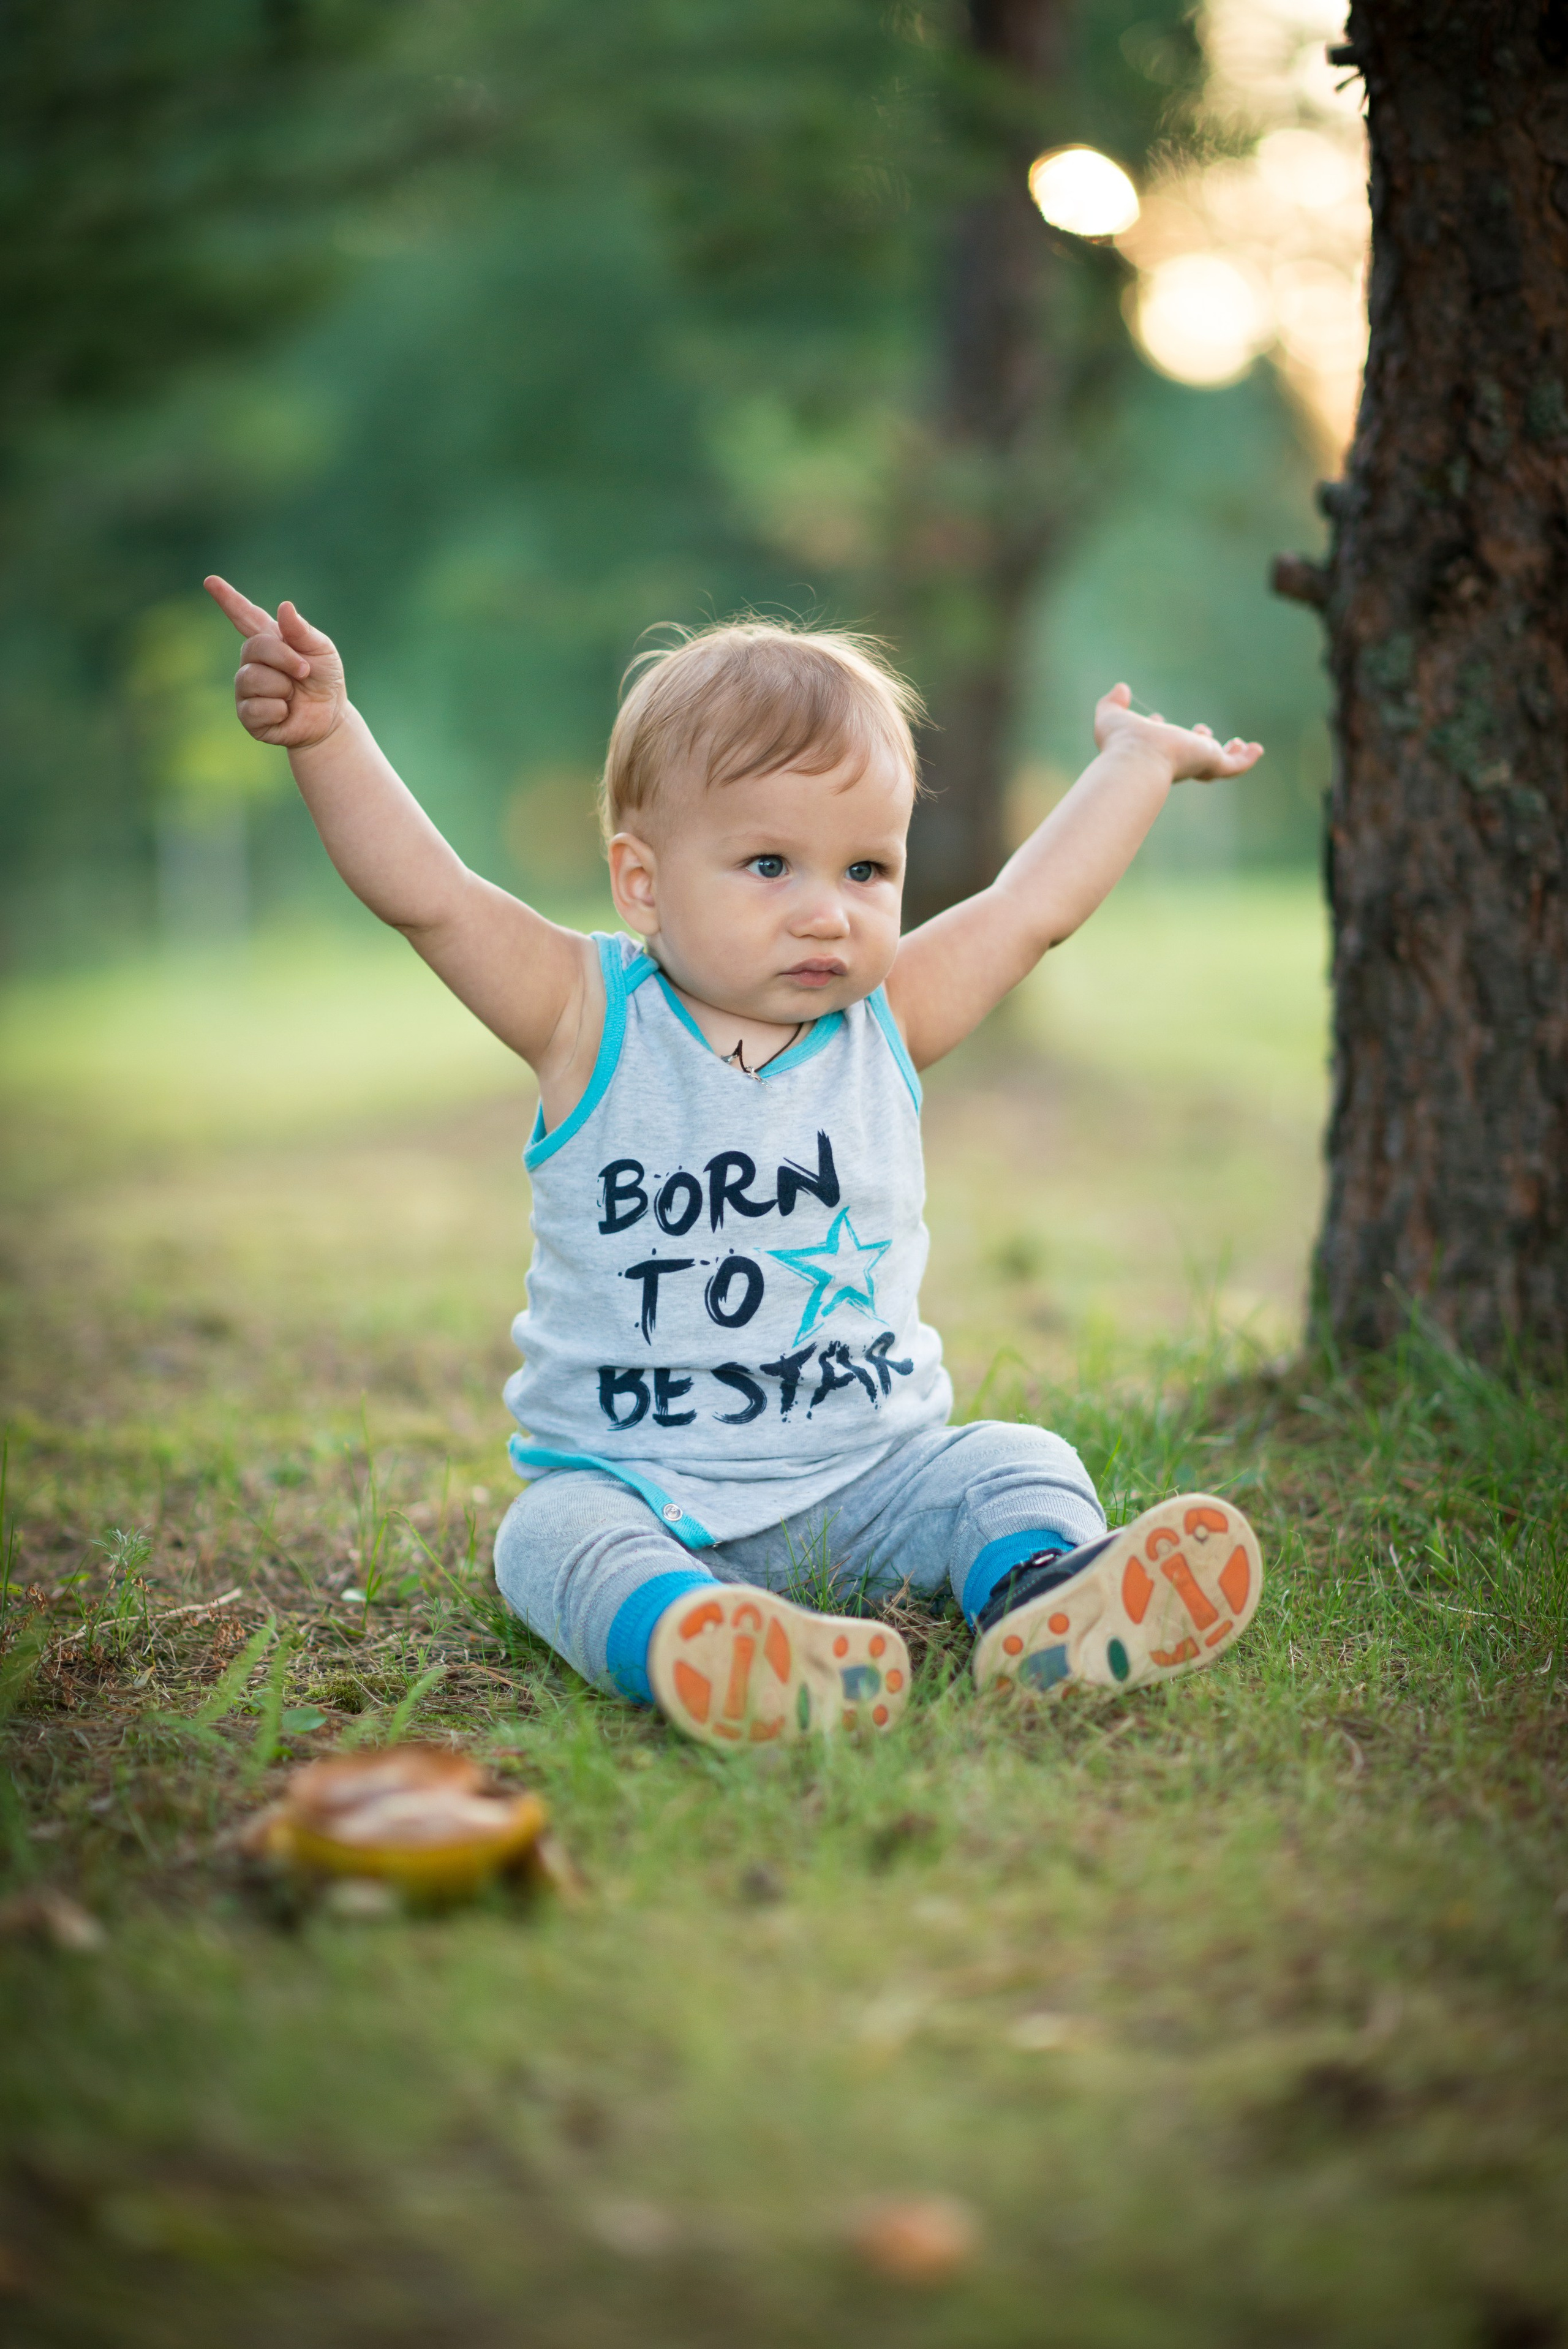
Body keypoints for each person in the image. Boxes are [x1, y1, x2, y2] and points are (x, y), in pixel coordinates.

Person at [207, 579, 1266, 1750]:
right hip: (643, 1493)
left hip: (874, 1479)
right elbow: (435, 901)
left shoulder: (889, 1018)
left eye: (867, 871)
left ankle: (1047, 1597)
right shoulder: (585, 1013)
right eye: (771, 865)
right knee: (546, 1537)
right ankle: (699, 1638)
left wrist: (1138, 762)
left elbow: (1030, 909)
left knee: (1016, 1461)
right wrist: (328, 734)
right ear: (642, 882)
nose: (829, 914)